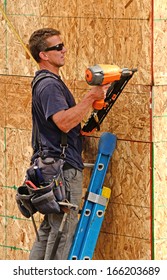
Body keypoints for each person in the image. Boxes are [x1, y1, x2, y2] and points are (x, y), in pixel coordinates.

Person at [28, 27, 109, 260]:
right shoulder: (50, 85)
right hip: (62, 170)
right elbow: (63, 122)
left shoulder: (45, 82)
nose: (65, 50)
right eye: (58, 47)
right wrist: (90, 98)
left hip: (52, 165)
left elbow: (62, 124)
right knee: (63, 229)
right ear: (44, 55)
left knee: (49, 230)